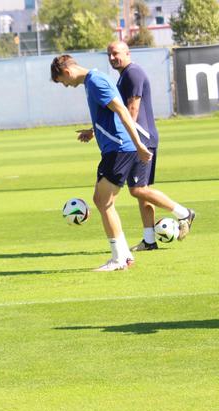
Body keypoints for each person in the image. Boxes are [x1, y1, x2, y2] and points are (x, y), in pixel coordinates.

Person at [51, 55, 195, 271]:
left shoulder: (96, 81)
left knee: (104, 201)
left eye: (62, 81)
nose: (66, 85)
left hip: (119, 149)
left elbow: (122, 111)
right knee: (101, 200)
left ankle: (120, 258)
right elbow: (109, 114)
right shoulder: (93, 80)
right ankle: (123, 255)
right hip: (114, 149)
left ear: (67, 72)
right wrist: (93, 132)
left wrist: (138, 144)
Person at [106, 41, 196, 250]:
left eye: (116, 53)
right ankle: (149, 240)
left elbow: (132, 110)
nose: (112, 58)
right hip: (140, 138)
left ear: (127, 53)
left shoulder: (133, 74)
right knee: (142, 190)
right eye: (109, 54)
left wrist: (128, 140)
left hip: (141, 139)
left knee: (137, 189)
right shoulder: (125, 75)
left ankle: (184, 213)